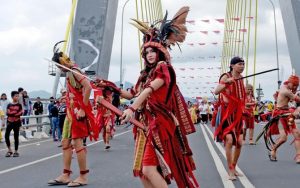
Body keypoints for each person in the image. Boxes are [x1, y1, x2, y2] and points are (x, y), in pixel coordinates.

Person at [110, 7, 199, 187]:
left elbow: (149, 90)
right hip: (145, 124)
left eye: (153, 51)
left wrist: (131, 108)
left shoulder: (163, 69)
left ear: (159, 52)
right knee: (143, 173)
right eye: (147, 52)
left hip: (159, 124)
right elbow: (134, 94)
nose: (149, 54)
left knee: (148, 169)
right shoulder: (145, 75)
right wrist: (112, 88)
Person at [48, 41, 99, 187]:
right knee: (65, 143)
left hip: (77, 112)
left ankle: (83, 176)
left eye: (58, 65)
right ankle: (66, 174)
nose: (58, 68)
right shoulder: (70, 72)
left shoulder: (75, 71)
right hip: (71, 113)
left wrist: (83, 108)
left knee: (77, 144)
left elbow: (88, 87)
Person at [214, 56, 246, 180]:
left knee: (239, 142)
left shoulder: (241, 78)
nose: (242, 66)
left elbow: (241, 96)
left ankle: (234, 165)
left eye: (243, 64)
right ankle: (230, 170)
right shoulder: (226, 76)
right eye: (239, 64)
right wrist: (226, 83)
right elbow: (217, 91)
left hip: (238, 113)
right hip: (226, 113)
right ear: (232, 65)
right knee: (229, 140)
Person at [264, 75, 300, 163]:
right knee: (283, 138)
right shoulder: (286, 91)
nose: (295, 87)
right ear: (290, 82)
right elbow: (298, 99)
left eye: (296, 85)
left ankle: (298, 156)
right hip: (280, 115)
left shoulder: (283, 87)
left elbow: (275, 94)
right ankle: (273, 149)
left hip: (287, 114)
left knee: (297, 134)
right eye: (294, 85)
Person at [4, 91, 23, 157]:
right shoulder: (9, 104)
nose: (17, 97)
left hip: (17, 122)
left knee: (16, 136)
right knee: (6, 136)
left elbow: (20, 113)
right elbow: (7, 113)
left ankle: (16, 151)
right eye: (16, 96)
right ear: (12, 97)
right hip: (9, 122)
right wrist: (15, 113)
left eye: (18, 96)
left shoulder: (19, 105)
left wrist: (13, 113)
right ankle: (9, 150)